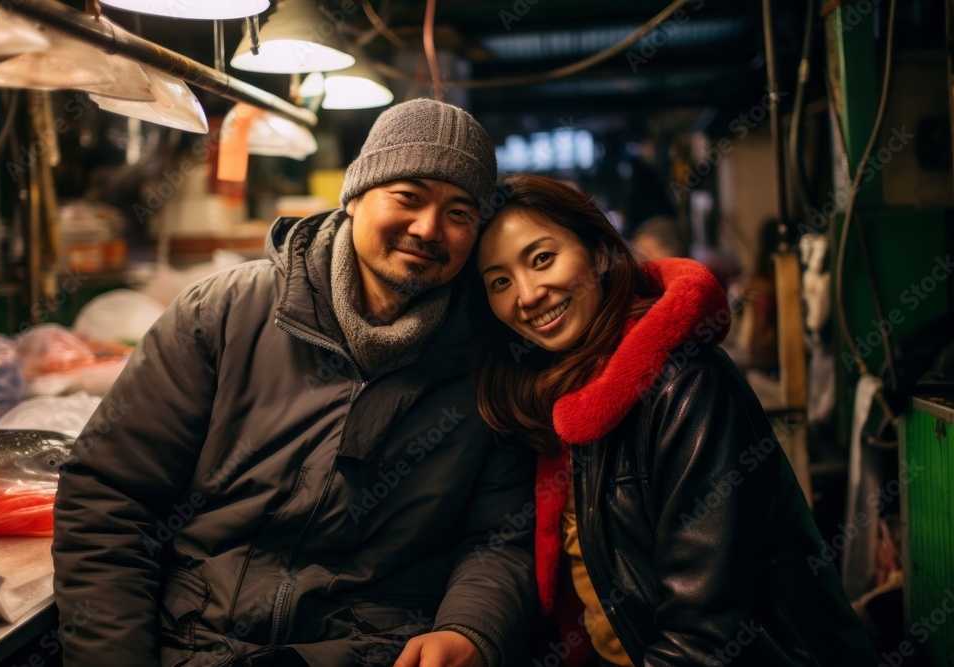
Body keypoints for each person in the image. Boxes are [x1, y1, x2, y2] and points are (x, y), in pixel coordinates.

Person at [52, 99, 536, 667]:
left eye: (459, 213)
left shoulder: (491, 361)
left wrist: (471, 627)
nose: (428, 228)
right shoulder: (224, 313)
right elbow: (110, 497)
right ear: (355, 196)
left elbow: (502, 537)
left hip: (371, 651)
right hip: (192, 643)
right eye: (408, 197)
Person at [472, 174, 879, 666]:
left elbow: (707, 639)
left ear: (600, 254)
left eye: (542, 259)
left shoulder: (685, 387)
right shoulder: (550, 400)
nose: (528, 294)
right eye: (500, 281)